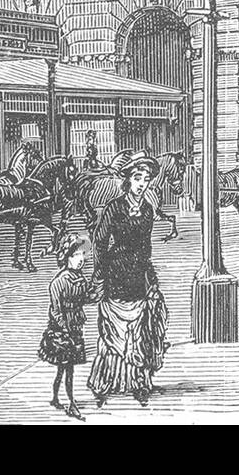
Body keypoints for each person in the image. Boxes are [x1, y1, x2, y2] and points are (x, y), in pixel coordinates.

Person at [87, 152, 169, 407]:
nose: (142, 183)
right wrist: (100, 273)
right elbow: (99, 243)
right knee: (113, 333)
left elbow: (145, 246)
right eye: (137, 178)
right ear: (127, 180)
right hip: (116, 273)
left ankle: (139, 382)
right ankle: (105, 382)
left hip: (137, 275)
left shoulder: (147, 210)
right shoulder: (114, 207)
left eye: (146, 179)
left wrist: (149, 274)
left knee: (139, 330)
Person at [39, 234, 93, 422]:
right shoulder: (58, 282)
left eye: (82, 256)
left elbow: (87, 298)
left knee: (63, 369)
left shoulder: (81, 280)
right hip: (62, 332)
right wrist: (65, 330)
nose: (81, 260)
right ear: (67, 257)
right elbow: (56, 311)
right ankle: (71, 404)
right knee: (67, 368)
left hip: (75, 328)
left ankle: (55, 398)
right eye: (77, 255)